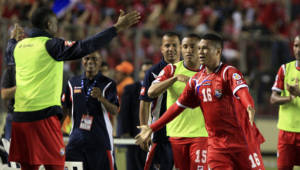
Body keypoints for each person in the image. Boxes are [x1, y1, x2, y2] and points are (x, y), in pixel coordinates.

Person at [7, 6, 140, 170]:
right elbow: (85, 46)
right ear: (49, 24)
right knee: (55, 166)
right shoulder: (51, 45)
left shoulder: (18, 47)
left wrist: (12, 39)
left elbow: (9, 52)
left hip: (19, 119)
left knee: (28, 168)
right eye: (56, 23)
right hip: (43, 118)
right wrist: (116, 28)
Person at [136, 33, 265, 170]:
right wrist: (152, 127)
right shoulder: (196, 80)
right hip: (216, 145)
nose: (200, 52)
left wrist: (249, 106)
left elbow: (242, 91)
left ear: (218, 51)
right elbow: (177, 107)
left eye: (204, 48)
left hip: (242, 141)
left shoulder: (229, 72)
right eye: (200, 48)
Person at [147, 33, 208, 170]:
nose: (188, 50)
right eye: (185, 46)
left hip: (201, 135)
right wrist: (174, 79)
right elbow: (151, 92)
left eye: (193, 47)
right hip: (176, 135)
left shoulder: (209, 72)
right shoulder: (172, 69)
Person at [62, 52, 119, 170]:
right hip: (77, 142)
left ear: (100, 61)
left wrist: (101, 98)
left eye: (94, 59)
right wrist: (56, 131)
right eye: (87, 58)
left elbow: (115, 110)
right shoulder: (72, 82)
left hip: (101, 142)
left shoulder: (108, 83)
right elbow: (65, 109)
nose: (90, 62)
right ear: (82, 61)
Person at [139, 32, 181, 170]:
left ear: (180, 47)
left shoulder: (189, 70)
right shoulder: (152, 72)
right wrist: (144, 128)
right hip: (160, 134)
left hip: (184, 132)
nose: (171, 49)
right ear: (161, 48)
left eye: (174, 45)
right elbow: (144, 103)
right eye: (167, 45)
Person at [270, 35, 300, 170]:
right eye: (296, 45)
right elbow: (273, 98)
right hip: (286, 133)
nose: (298, 49)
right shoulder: (285, 69)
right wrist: (289, 98)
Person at [117, 60, 153, 170]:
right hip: (135, 137)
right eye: (144, 71)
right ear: (140, 74)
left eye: (149, 72)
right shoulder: (130, 89)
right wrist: (125, 133)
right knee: (134, 166)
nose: (147, 74)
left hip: (154, 137)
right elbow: (124, 113)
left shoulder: (160, 89)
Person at [1, 24, 25, 140]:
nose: (21, 37)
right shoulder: (10, 70)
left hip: (29, 116)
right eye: (18, 35)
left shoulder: (29, 66)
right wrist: (21, 87)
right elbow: (4, 94)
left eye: (22, 35)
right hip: (14, 115)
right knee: (9, 150)